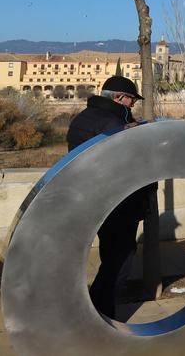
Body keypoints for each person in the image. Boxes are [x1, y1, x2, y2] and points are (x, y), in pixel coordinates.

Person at [67, 75, 156, 319]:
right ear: (119, 98)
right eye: (131, 100)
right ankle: (103, 316)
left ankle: (95, 312)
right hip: (118, 204)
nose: (133, 105)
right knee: (120, 262)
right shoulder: (113, 123)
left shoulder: (84, 119)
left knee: (111, 258)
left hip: (95, 202)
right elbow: (129, 163)